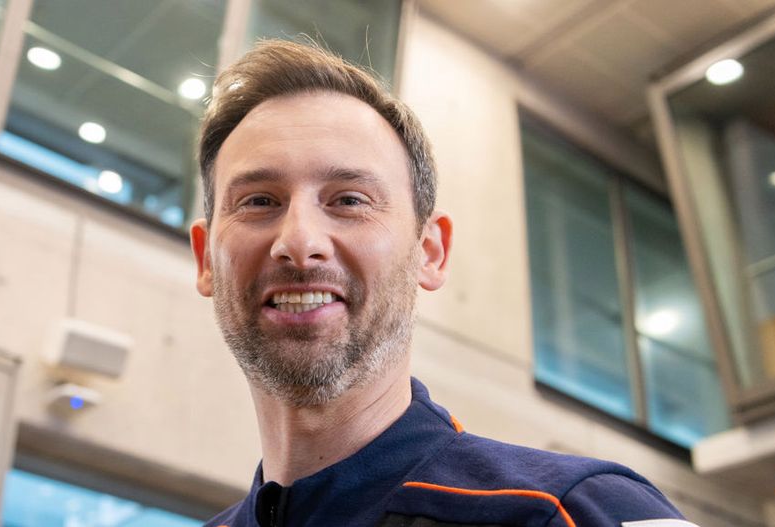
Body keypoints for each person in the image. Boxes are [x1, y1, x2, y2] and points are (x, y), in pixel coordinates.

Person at [189, 40, 695, 527]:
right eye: (259, 201)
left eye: (349, 200)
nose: (299, 241)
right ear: (206, 259)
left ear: (430, 252)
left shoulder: (577, 511)